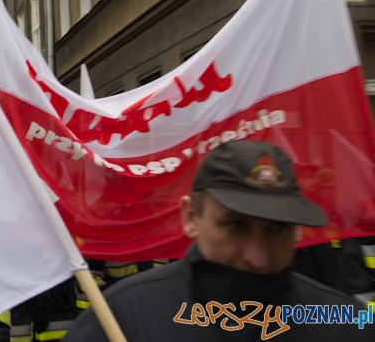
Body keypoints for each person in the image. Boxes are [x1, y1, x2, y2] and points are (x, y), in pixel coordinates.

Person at [63, 140, 372, 341]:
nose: (258, 257)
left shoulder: (346, 323)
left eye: (277, 228)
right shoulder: (122, 318)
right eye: (235, 225)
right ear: (191, 217)